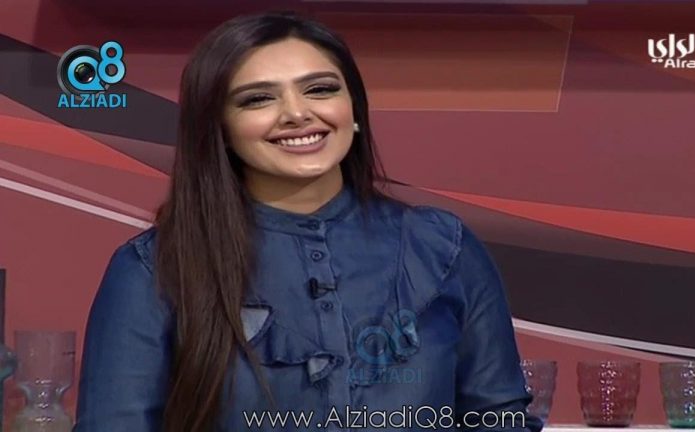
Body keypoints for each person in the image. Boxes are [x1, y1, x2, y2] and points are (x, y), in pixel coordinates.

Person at [73, 11, 542, 432]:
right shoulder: (153, 268)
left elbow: (497, 417)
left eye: (320, 89)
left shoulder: (443, 247)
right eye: (258, 99)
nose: (297, 114)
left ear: (353, 108)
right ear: (221, 129)